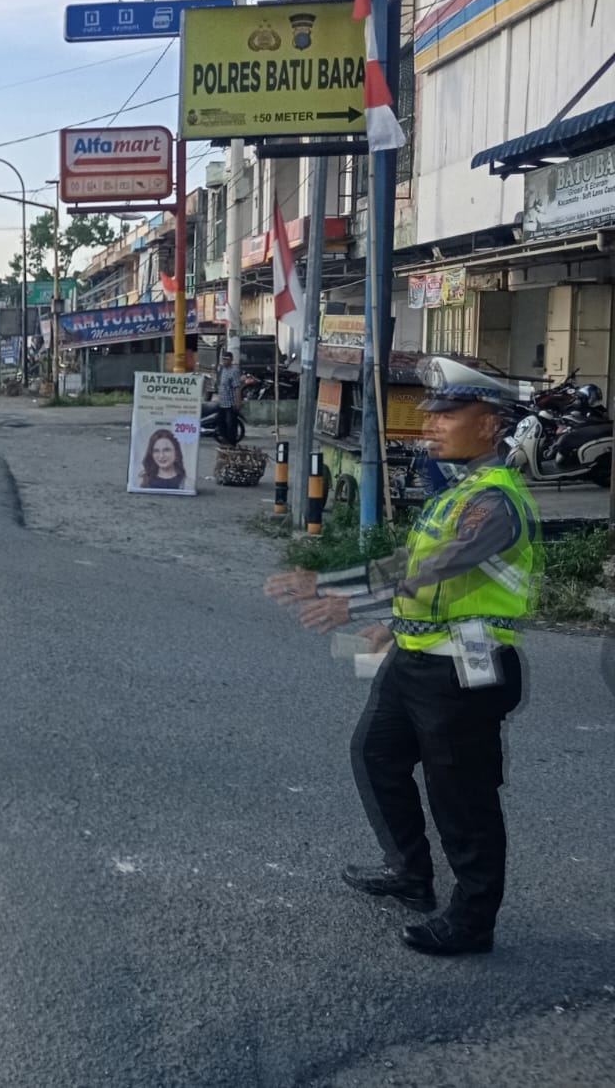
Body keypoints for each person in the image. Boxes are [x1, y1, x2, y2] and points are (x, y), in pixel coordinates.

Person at [264, 357, 543, 957]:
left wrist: (343, 594)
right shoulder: (459, 492)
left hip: (466, 669)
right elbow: (433, 584)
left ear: (490, 424)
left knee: (461, 797)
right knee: (375, 755)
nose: (432, 426)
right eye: (433, 415)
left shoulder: (496, 501)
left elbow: (432, 569)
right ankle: (411, 874)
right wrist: (392, 624)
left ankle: (473, 920)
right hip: (416, 659)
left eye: (448, 415)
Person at [215, 349, 243, 446]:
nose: (224, 361)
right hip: (222, 402)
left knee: (231, 424)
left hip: (231, 403)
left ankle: (231, 443)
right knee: (220, 422)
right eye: (223, 359)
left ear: (231, 360)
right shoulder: (222, 370)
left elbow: (237, 387)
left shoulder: (234, 371)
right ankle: (224, 440)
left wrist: (238, 402)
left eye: (226, 359)